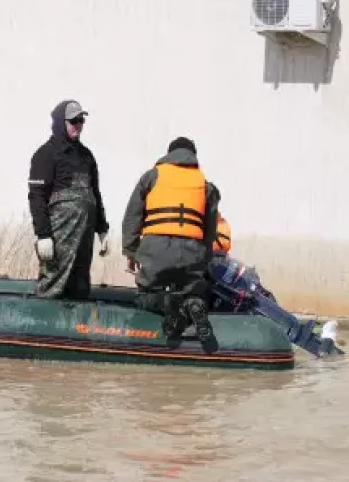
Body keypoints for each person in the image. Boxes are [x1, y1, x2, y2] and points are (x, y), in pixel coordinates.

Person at [121, 137, 221, 352]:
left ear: (168, 155)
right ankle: (191, 303)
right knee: (194, 291)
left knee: (146, 298)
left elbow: (132, 218)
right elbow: (209, 232)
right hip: (192, 254)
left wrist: (130, 252)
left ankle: (168, 305)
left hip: (155, 254)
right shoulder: (205, 186)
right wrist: (202, 262)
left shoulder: (151, 177)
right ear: (193, 157)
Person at [27, 99, 110, 300]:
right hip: (59, 236)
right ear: (60, 123)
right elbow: (36, 196)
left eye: (81, 120)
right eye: (73, 121)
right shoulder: (46, 154)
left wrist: (102, 229)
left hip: (85, 235)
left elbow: (95, 193)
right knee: (53, 283)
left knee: (80, 286)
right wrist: (43, 234)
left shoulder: (87, 156)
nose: (78, 125)